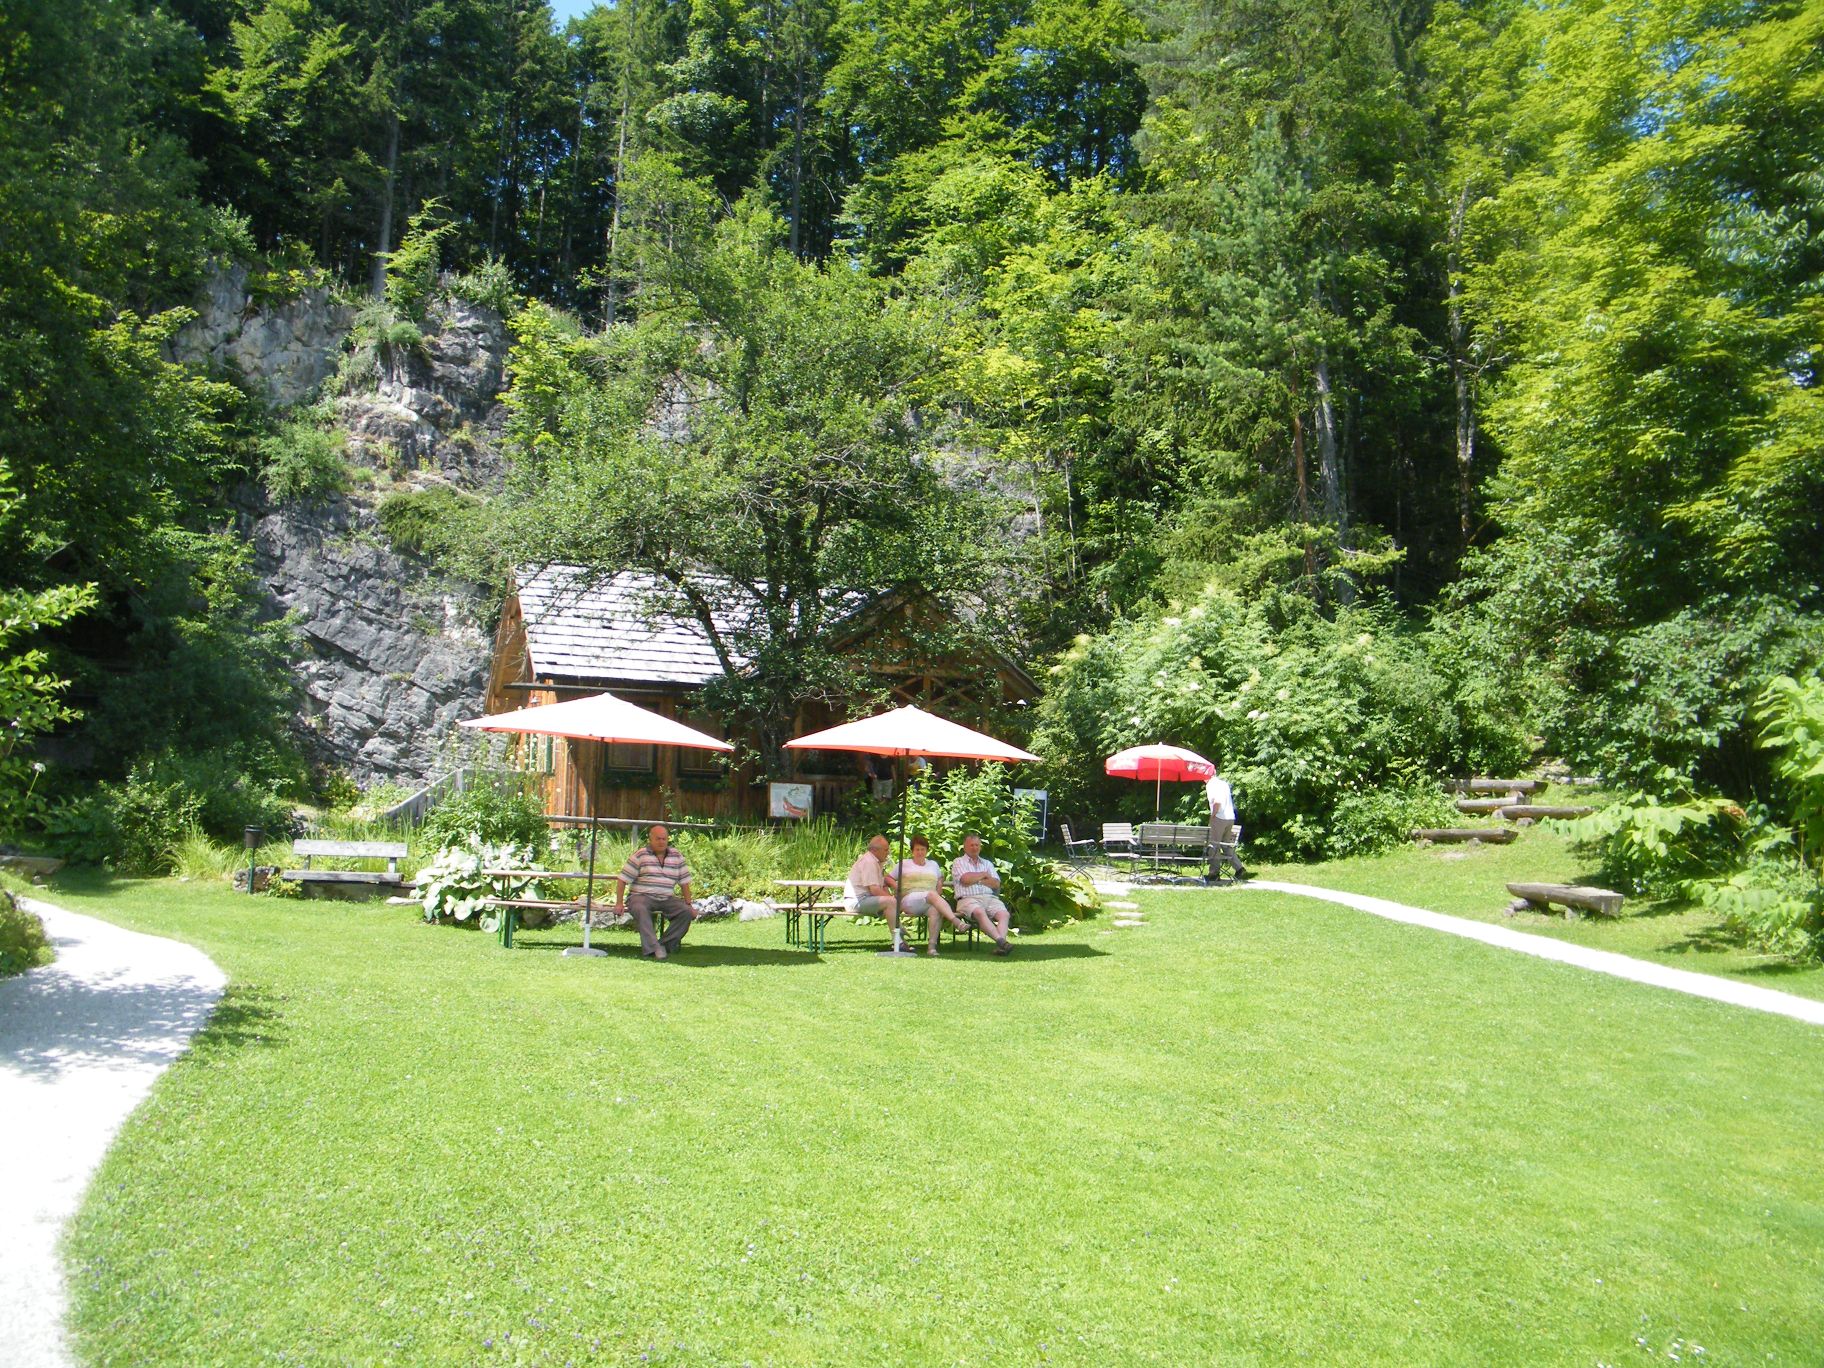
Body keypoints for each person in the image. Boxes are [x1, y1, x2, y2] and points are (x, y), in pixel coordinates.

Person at [614, 823, 695, 960]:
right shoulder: (640, 855)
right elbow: (622, 880)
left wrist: (688, 904)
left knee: (686, 912)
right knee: (640, 908)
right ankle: (654, 948)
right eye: (658, 839)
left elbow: (684, 882)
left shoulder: (676, 856)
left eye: (664, 839)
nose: (661, 842)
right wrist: (619, 903)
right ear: (650, 839)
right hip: (641, 896)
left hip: (666, 898)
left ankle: (663, 944)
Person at [883, 833, 965, 956]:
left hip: (929, 901)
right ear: (912, 851)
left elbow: (940, 877)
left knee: (936, 911)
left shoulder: (933, 864)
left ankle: (931, 947)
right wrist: (897, 888)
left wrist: (939, 884)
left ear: (927, 850)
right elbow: (888, 878)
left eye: (922, 849)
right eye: (917, 849)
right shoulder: (904, 864)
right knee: (931, 894)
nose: (920, 852)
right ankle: (956, 922)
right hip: (909, 899)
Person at [952, 832, 1012, 955]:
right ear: (965, 847)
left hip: (989, 898)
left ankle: (1002, 947)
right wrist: (984, 875)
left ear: (980, 847)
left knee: (1004, 914)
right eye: (971, 845)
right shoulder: (958, 862)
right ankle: (1001, 941)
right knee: (979, 912)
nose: (974, 848)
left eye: (977, 845)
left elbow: (996, 884)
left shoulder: (987, 863)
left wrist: (976, 879)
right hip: (968, 899)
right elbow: (965, 880)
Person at [845, 833, 904, 951]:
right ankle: (898, 941)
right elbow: (875, 890)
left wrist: (893, 890)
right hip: (856, 901)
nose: (888, 853)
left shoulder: (875, 861)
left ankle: (900, 939)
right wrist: (894, 901)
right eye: (886, 850)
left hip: (866, 899)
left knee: (890, 903)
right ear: (875, 850)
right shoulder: (869, 862)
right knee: (890, 902)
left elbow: (882, 883)